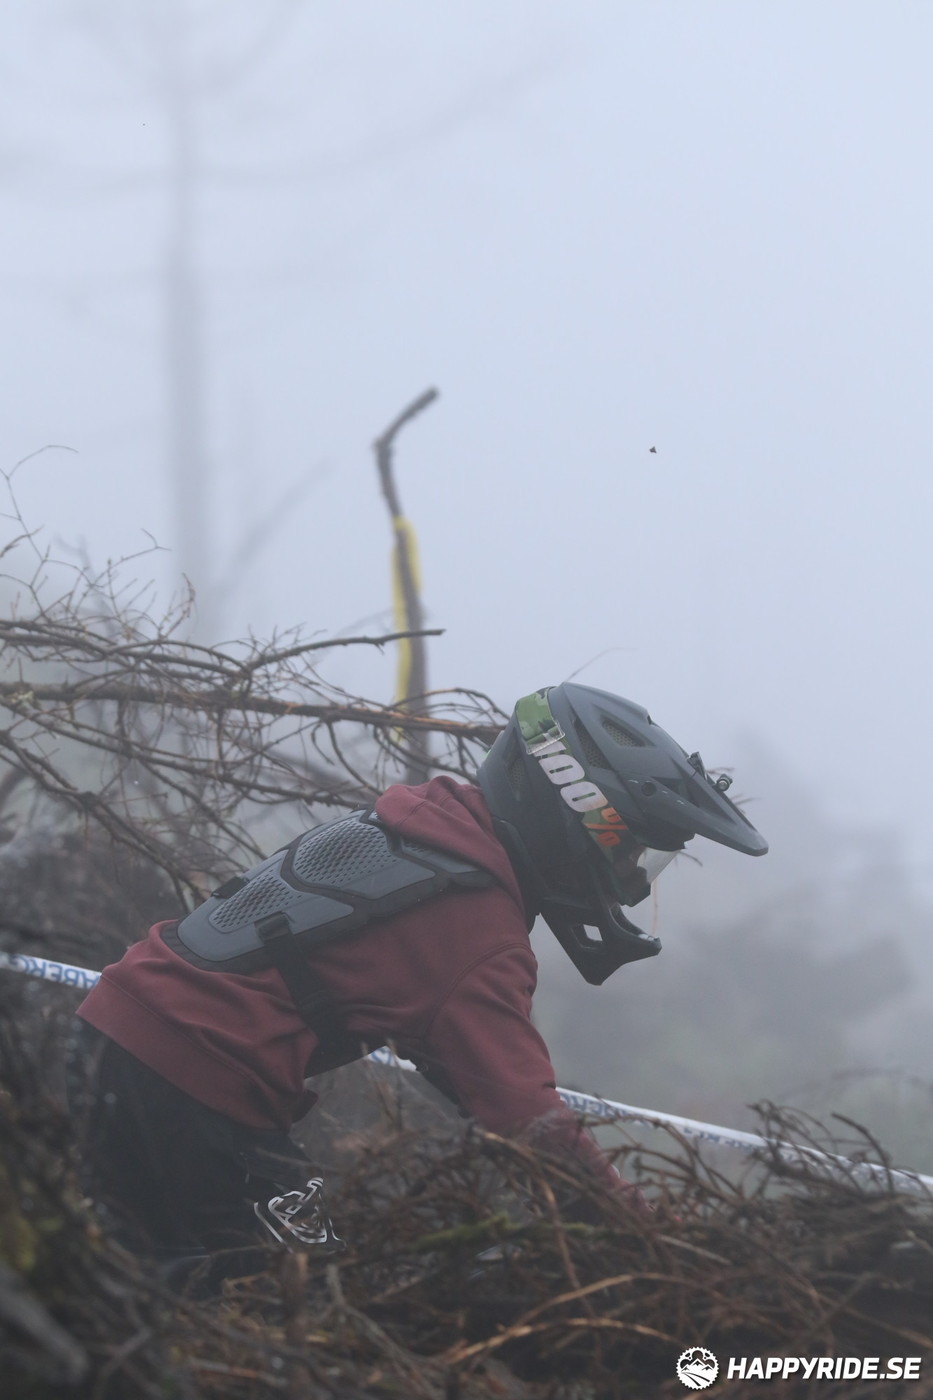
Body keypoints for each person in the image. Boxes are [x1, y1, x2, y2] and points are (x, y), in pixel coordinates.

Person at [71, 682, 767, 1274]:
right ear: (581, 818)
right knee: (313, 1312)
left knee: (127, 1283)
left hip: (115, 1034)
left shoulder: (429, 825)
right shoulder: (477, 928)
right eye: (632, 858)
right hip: (195, 1088)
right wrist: (653, 1238)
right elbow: (531, 1125)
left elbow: (456, 1060)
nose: (629, 886)